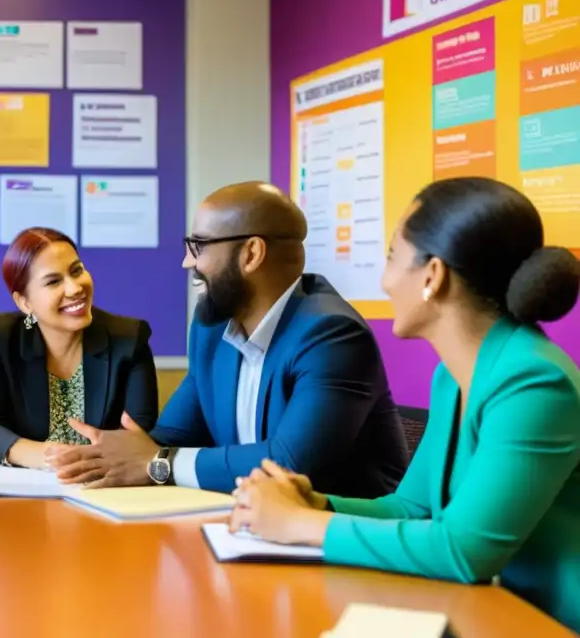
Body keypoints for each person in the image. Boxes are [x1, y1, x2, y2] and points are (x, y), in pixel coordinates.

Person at [230, 178, 580, 633]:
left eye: (393, 257)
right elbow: (411, 509)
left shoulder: (534, 382)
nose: (385, 280)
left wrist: (298, 523)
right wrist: (317, 504)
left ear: (432, 276)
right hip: (480, 609)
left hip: (546, 621)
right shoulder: (451, 377)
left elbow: (465, 551)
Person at [49, 182, 408, 496]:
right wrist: (105, 455)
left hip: (345, 541)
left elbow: (290, 463)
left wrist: (158, 463)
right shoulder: (211, 328)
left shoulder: (331, 335)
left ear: (251, 254)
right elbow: (171, 438)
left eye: (198, 246)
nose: (186, 262)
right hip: (252, 526)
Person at [0, 227, 159, 468]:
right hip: (24, 489)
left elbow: (138, 434)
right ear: (24, 302)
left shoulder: (129, 340)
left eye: (76, 271)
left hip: (105, 485)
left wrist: (85, 461)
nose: (75, 288)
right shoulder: (1, 338)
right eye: (53, 281)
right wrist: (44, 455)